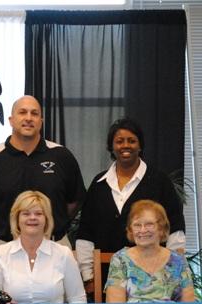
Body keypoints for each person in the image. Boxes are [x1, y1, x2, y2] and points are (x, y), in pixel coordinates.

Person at [76, 118, 185, 293]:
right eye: (119, 141)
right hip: (106, 280)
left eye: (131, 141)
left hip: (153, 279)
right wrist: (88, 277)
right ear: (111, 147)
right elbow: (85, 232)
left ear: (140, 146)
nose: (125, 146)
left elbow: (175, 228)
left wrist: (173, 271)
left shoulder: (159, 182)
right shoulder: (98, 184)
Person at [0, 95, 85, 247]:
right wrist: (7, 230)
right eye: (22, 112)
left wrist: (53, 226)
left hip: (55, 244)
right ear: (11, 120)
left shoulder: (61, 156)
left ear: (41, 121)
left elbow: (74, 201)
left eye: (34, 113)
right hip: (7, 245)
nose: (29, 118)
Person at [0, 191, 86, 304]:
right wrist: (0, 302)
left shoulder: (64, 253)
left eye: (38, 213)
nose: (32, 218)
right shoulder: (0, 254)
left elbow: (78, 299)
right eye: (26, 214)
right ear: (17, 219)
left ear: (47, 219)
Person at [105, 200, 194, 303]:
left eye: (149, 224)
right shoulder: (120, 260)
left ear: (161, 228)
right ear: (130, 230)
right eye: (137, 225)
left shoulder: (178, 260)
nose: (143, 230)